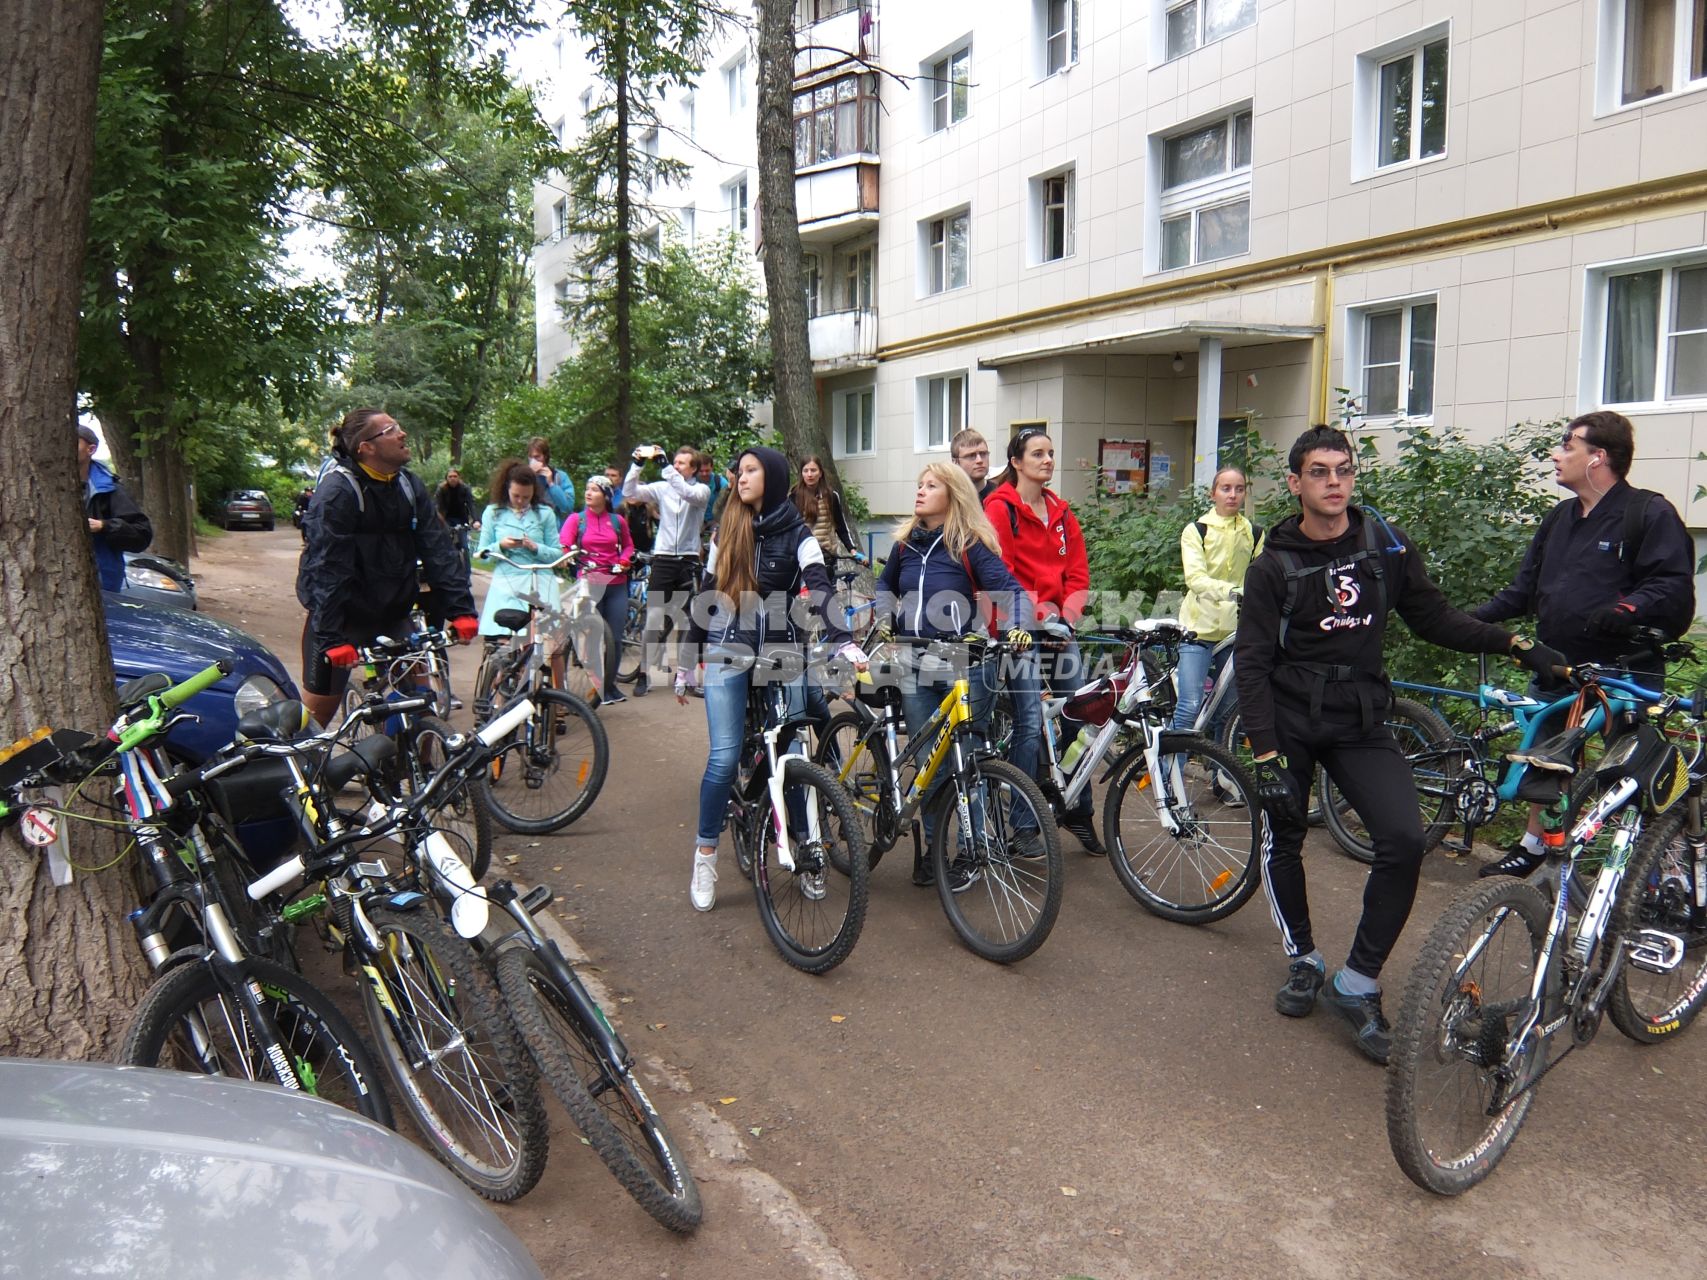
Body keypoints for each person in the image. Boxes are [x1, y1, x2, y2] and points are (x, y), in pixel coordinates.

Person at [1234, 425, 1564, 1065]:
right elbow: (1250, 664)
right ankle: (1303, 958)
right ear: (1297, 483)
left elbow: (1435, 618)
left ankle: (1356, 983)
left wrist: (1518, 645)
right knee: (1286, 836)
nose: (1335, 482)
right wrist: (1266, 753)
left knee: (1404, 839)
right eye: (1320, 472)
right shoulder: (1273, 565)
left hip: (1360, 717)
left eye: (1345, 470)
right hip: (1292, 717)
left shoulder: (1383, 544)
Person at [1470, 410, 1697, 878]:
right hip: (1559, 664)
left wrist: (1625, 611)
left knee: (1635, 768)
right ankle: (1535, 847)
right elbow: (1524, 590)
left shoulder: (1648, 513)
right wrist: (1465, 621)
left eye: (1567, 445)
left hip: (1625, 670)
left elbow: (1671, 584)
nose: (1556, 454)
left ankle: (1654, 871)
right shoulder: (1559, 518)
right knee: (1546, 758)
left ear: (1598, 458)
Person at [676, 446, 865, 912]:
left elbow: (819, 587)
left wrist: (841, 638)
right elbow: (706, 593)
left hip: (782, 648)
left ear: (773, 477)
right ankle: (705, 854)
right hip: (728, 645)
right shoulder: (728, 529)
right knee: (722, 759)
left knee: (794, 752)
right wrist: (687, 658)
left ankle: (808, 848)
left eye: (751, 470)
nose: (741, 478)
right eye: (739, 472)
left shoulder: (799, 534)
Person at [875, 463, 1034, 888]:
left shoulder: (969, 544)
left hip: (964, 662)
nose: (921, 491)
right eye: (920, 484)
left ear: (953, 494)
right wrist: (886, 616)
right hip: (916, 663)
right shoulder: (906, 544)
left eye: (931, 485)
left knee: (969, 757)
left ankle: (971, 850)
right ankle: (932, 850)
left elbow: (1012, 591)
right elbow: (884, 587)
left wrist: (1018, 624)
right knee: (932, 761)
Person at [296, 409, 477, 728]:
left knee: (422, 709)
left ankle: (411, 771)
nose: (403, 434)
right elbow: (325, 568)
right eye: (391, 430)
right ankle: (304, 775)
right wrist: (330, 637)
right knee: (316, 715)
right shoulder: (338, 492)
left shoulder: (409, 485)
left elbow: (437, 548)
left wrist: (460, 609)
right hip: (343, 619)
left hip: (392, 615)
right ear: (367, 447)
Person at [983, 426, 1098, 854]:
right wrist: (1035, 619)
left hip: (1058, 628)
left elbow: (1078, 575)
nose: (1048, 460)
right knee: (1030, 722)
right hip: (1018, 628)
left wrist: (1065, 620)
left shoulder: (1062, 513)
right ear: (1016, 462)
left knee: (1082, 715)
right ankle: (1024, 825)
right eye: (1038, 454)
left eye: (1050, 453)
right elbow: (1001, 574)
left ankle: (1078, 810)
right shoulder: (1001, 509)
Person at [1171, 466, 1262, 738]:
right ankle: (1167, 773)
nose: (1232, 495)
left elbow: (1261, 580)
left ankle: (1222, 777)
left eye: (1239, 489)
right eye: (1225, 488)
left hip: (1235, 631)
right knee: (1189, 706)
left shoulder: (1255, 533)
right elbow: (1196, 580)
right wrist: (1237, 591)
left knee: (1229, 711)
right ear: (1213, 493)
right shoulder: (1196, 530)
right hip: (1197, 629)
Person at [623, 444, 711, 698]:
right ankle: (643, 672)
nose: (675, 466)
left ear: (693, 468)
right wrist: (637, 465)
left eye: (682, 463)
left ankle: (687, 675)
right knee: (653, 620)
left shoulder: (700, 490)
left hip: (688, 560)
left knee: (689, 622)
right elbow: (629, 492)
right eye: (674, 461)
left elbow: (687, 494)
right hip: (663, 559)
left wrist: (665, 469)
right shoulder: (663, 488)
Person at [560, 476, 635, 705]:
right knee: (591, 638)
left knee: (615, 638)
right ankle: (595, 687)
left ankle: (610, 686)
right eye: (587, 488)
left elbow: (629, 546)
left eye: (594, 489)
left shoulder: (617, 521)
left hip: (616, 584)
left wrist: (624, 560)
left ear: (606, 496)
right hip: (589, 583)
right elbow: (565, 544)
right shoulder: (577, 520)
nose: (588, 493)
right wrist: (569, 557)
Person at [78, 424, 153, 591]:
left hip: (101, 584)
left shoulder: (111, 490)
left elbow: (142, 534)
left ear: (91, 449)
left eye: (74, 441)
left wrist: (104, 526)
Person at [790, 456, 865, 566]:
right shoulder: (794, 497)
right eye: (806, 471)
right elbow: (789, 529)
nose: (809, 474)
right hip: (802, 556)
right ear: (802, 474)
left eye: (813, 470)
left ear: (820, 473)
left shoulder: (831, 496)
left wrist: (852, 550)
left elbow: (841, 527)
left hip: (827, 557)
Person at [527, 436, 576, 522]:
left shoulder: (560, 476)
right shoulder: (523, 476)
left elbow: (568, 507)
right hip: (532, 526)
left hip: (555, 527)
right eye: (531, 457)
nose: (533, 461)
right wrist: (529, 478)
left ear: (545, 456)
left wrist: (552, 484)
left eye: (537, 457)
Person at [951, 428, 997, 502]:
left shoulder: (1001, 497)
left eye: (983, 454)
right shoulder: (948, 499)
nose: (979, 460)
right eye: (971, 456)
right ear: (955, 462)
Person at [697, 450, 729, 547]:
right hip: (698, 519)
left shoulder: (720, 482)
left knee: (716, 542)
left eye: (707, 471)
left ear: (712, 467)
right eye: (701, 471)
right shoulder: (693, 482)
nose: (704, 474)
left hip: (715, 520)